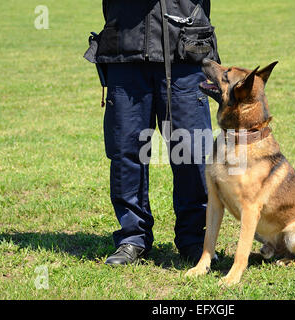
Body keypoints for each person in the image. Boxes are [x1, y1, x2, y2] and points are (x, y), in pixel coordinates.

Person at [84, 0, 220, 265]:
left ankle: (194, 239)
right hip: (125, 49)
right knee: (126, 151)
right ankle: (132, 238)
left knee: (191, 151)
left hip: (185, 51)